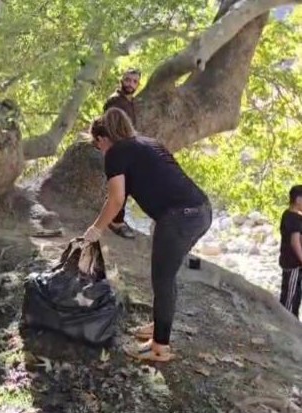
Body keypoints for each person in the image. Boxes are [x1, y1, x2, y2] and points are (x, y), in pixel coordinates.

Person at [83, 108, 211, 362]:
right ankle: (159, 324)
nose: (101, 152)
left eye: (98, 147)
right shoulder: (147, 144)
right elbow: (129, 192)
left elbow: (116, 198)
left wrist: (95, 230)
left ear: (102, 139)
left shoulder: (116, 153)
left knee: (162, 279)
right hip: (202, 212)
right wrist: (111, 225)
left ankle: (159, 347)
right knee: (167, 276)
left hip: (179, 218)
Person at [102, 68, 142, 239]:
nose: (130, 84)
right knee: (121, 187)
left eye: (134, 81)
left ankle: (116, 218)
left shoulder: (130, 102)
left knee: (126, 186)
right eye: (128, 80)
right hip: (118, 148)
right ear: (121, 80)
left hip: (128, 148)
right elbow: (108, 125)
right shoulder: (114, 101)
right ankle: (115, 221)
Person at [279, 185, 302, 318]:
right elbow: (295, 242)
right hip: (292, 263)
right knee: (290, 297)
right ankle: (285, 323)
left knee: (295, 297)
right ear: (298, 200)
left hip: (295, 263)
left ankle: (293, 323)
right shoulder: (292, 218)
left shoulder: (294, 217)